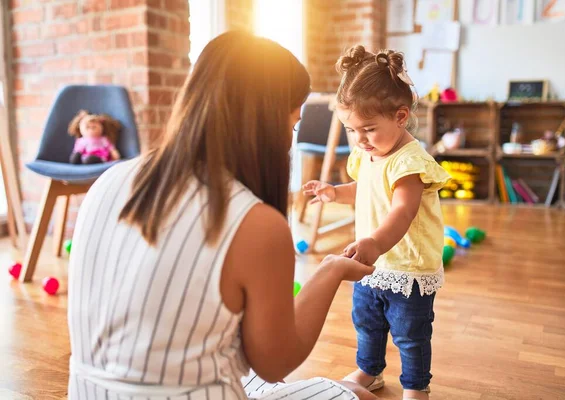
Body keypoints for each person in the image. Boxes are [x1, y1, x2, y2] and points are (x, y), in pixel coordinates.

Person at [67, 31, 376, 400]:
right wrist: (331, 270)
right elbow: (275, 362)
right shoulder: (254, 222)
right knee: (359, 396)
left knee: (343, 385)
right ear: (263, 119)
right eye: (292, 125)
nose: (289, 139)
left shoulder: (110, 178)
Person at [303, 46, 451, 400]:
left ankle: (416, 386)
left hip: (408, 267)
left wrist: (374, 243)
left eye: (368, 129)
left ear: (401, 117)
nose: (360, 140)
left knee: (410, 334)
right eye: (352, 131)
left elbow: (402, 211)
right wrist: (334, 192)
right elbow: (366, 189)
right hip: (372, 265)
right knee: (367, 322)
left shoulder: (409, 162)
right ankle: (369, 371)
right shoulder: (367, 153)